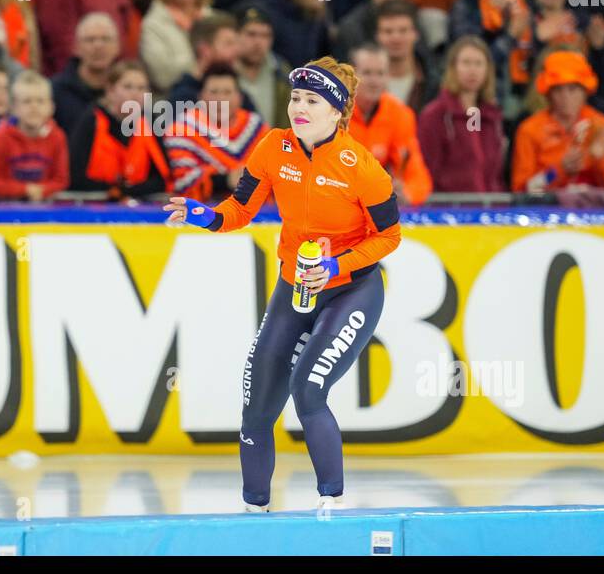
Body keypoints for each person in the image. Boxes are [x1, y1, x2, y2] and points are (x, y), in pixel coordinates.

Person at [163, 56, 402, 512]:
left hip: (353, 290)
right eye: (295, 97)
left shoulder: (363, 168)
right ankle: (255, 510)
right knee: (256, 401)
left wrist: (336, 267)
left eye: (312, 100)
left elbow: (389, 236)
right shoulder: (273, 147)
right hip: (295, 287)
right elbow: (238, 210)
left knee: (308, 389)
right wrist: (200, 214)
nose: (299, 107)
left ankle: (331, 505)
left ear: (337, 112)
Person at [511, 50, 604, 193]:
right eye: (558, 90)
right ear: (548, 93)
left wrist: (601, 160)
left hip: (592, 212)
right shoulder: (529, 130)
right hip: (546, 212)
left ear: (585, 91)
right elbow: (522, 190)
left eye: (573, 89)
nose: (566, 97)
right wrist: (559, 170)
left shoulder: (601, 126)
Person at [163, 62, 267, 201]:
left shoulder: (257, 128)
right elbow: (183, 182)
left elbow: (273, 173)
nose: (220, 99)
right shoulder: (182, 129)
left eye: (227, 92)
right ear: (201, 96)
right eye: (213, 92)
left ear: (239, 97)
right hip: (201, 213)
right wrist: (226, 180)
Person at [68, 59, 170, 197]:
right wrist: (114, 191)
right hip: (94, 205)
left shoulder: (151, 124)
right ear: (110, 90)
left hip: (139, 206)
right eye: (127, 87)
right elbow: (76, 177)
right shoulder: (92, 121)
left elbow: (162, 179)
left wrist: (125, 191)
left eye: (141, 88)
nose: (135, 94)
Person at [416, 35, 505, 194]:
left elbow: (495, 173)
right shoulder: (435, 115)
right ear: (453, 67)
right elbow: (427, 171)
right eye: (466, 63)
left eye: (478, 64)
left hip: (490, 210)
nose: (473, 70)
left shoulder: (491, 116)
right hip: (449, 210)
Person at [347, 43, 432, 204]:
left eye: (380, 73)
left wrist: (406, 193)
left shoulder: (400, 114)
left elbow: (417, 174)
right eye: (367, 73)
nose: (374, 81)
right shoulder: (332, 112)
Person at [0, 70, 69, 202]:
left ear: (51, 107)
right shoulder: (1, 137)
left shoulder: (57, 137)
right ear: (13, 107)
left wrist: (42, 190)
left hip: (44, 211)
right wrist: (25, 190)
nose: (34, 107)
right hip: (4, 210)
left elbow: (61, 180)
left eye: (40, 101)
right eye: (27, 101)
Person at [140, 0, 213, 93]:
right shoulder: (153, 24)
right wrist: (202, 62)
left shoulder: (211, 18)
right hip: (172, 104)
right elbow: (162, 77)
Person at [52, 12, 120, 136]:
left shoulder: (127, 91)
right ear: (76, 47)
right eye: (90, 40)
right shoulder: (56, 91)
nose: (98, 46)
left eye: (106, 39)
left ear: (117, 47)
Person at [234, 7, 290, 128]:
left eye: (265, 36)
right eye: (251, 34)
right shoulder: (223, 71)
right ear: (235, 35)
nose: (258, 42)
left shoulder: (281, 71)